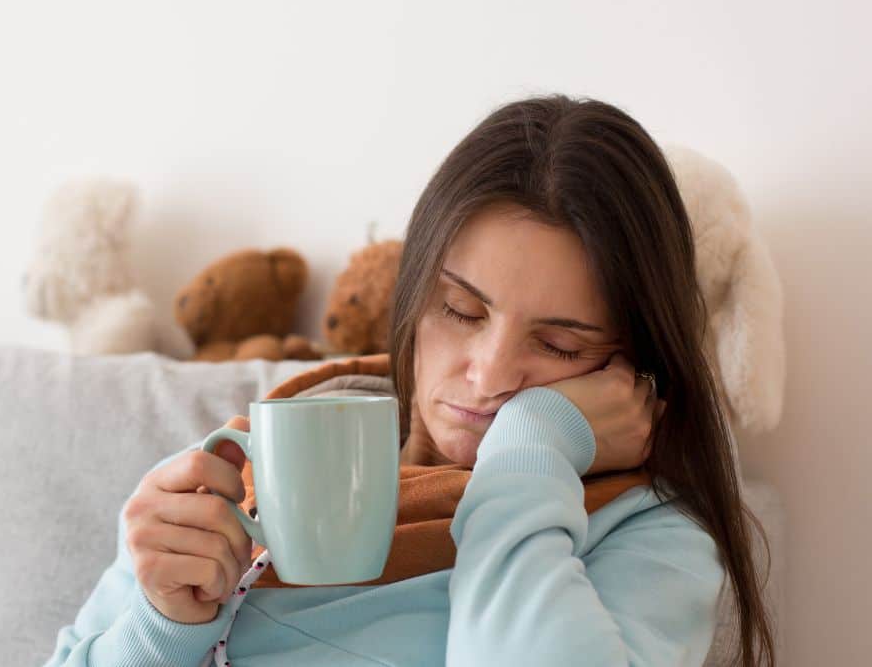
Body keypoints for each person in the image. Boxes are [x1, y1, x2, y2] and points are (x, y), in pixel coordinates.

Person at [42, 93, 776, 666]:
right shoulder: (257, 461)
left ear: (632, 359)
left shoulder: (645, 531)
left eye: (557, 344)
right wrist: (164, 622)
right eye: (459, 310)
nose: (488, 375)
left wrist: (530, 448)